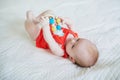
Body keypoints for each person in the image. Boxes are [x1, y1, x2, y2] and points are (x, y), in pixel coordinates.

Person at [25, 10, 99, 67]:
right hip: (49, 24)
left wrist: (45, 27)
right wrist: (66, 20)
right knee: (50, 12)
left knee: (30, 27)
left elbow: (49, 40)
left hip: (40, 35)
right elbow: (71, 24)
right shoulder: (74, 36)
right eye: (78, 40)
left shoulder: (60, 51)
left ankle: (30, 19)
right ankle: (36, 19)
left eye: (73, 46)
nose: (73, 40)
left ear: (71, 58)